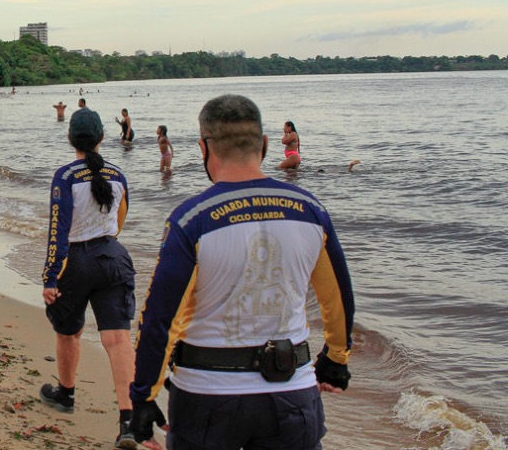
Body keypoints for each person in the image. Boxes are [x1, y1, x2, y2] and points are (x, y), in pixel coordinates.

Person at [128, 94, 355, 449]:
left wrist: (144, 394)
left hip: (207, 397)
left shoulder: (192, 220)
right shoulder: (311, 211)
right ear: (264, 144)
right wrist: (337, 357)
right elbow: (337, 296)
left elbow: (160, 316)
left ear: (203, 147)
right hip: (292, 393)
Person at [38, 108, 158, 450]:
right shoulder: (118, 174)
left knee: (69, 330)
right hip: (114, 257)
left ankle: (66, 392)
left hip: (76, 261)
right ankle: (129, 422)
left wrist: (50, 276)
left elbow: (58, 231)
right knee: (119, 340)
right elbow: (120, 221)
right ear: (102, 138)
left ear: (69, 138)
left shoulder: (65, 177)